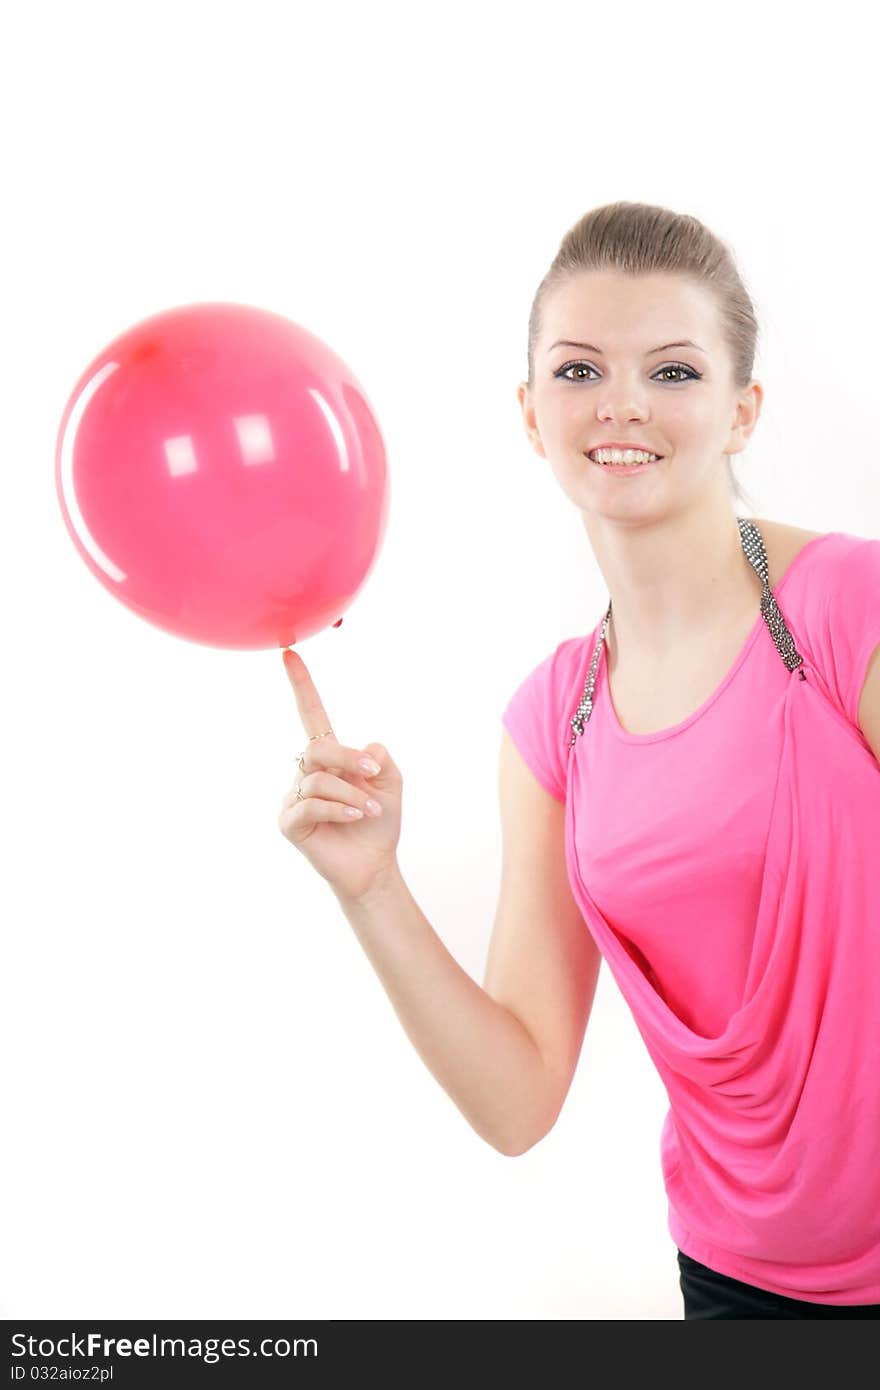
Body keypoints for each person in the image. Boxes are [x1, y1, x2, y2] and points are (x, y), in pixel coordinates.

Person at [277, 202, 880, 1320]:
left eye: (673, 371)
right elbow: (517, 1100)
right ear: (529, 412)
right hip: (740, 1284)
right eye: (578, 368)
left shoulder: (849, 609)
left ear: (742, 412)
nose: (621, 404)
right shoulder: (555, 717)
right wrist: (373, 888)